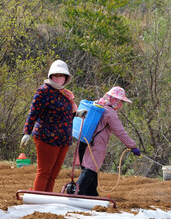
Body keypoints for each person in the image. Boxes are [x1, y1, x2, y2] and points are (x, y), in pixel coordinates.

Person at [20, 60, 87, 192]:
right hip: (47, 137)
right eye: (56, 75)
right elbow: (33, 113)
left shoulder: (64, 94)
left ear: (66, 78)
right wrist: (27, 132)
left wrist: (77, 113)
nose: (59, 78)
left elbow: (63, 114)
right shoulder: (43, 91)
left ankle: (47, 202)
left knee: (53, 175)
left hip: (64, 139)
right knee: (44, 172)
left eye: (61, 75)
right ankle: (37, 200)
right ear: (51, 76)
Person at [76, 87, 140, 196]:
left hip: (83, 141)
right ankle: (77, 193)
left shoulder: (97, 105)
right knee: (90, 169)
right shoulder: (110, 113)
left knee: (90, 168)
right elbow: (120, 132)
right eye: (120, 101)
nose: (121, 104)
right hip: (96, 144)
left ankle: (91, 193)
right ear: (114, 100)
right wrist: (132, 146)